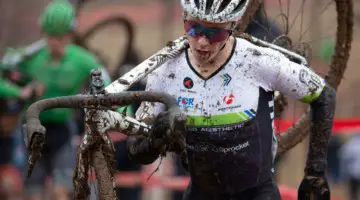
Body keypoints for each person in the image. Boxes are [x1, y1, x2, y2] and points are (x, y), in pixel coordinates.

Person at [93, 0, 335, 199]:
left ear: (234, 24)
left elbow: (325, 95)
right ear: (184, 18)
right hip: (201, 193)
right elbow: (137, 152)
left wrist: (315, 172)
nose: (202, 42)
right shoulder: (166, 71)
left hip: (256, 193)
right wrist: (157, 137)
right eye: (194, 28)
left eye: (215, 32)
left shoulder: (259, 61)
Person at [2, 1, 111, 200]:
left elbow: (109, 88)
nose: (56, 43)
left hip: (62, 129)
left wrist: (123, 112)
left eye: (61, 37)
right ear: (43, 32)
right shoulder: (29, 57)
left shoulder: (82, 60)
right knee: (32, 194)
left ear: (71, 35)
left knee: (60, 192)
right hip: (32, 130)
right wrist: (20, 92)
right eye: (51, 36)